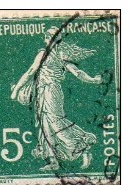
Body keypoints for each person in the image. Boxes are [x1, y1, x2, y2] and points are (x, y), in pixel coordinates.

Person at [11, 27, 102, 170]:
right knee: (44, 124)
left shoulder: (50, 54)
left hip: (51, 91)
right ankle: (52, 160)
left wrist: (16, 90)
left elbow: (30, 72)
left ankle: (82, 147)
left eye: (51, 37)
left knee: (55, 122)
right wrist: (93, 79)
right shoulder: (59, 54)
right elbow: (78, 72)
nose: (49, 39)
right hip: (42, 91)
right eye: (48, 37)